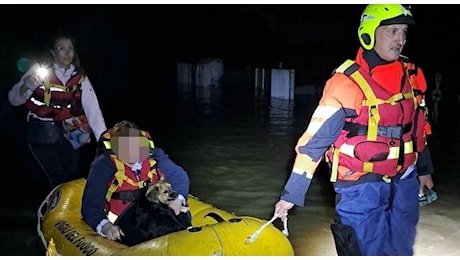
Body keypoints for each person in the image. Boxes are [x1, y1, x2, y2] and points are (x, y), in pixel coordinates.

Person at [274, 4, 435, 256]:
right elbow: (315, 142)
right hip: (359, 186)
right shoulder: (345, 82)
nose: (400, 39)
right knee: (361, 249)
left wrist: (424, 170)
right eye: (392, 31)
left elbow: (417, 127)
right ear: (368, 33)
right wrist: (291, 194)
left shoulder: (412, 75)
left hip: (403, 180)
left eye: (403, 32)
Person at [8, 34, 107, 191]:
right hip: (42, 133)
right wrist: (26, 86)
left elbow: (93, 109)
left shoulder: (80, 77)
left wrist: (104, 141)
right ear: (53, 53)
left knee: (70, 177)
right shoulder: (40, 71)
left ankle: (66, 213)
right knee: (56, 178)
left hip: (70, 134)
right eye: (61, 48)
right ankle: (52, 211)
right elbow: (13, 99)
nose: (67, 53)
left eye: (70, 48)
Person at [81, 120, 190, 243]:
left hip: (157, 213)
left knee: (181, 219)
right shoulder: (104, 165)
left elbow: (180, 176)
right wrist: (107, 227)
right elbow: (90, 205)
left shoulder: (156, 156)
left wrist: (178, 200)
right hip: (126, 221)